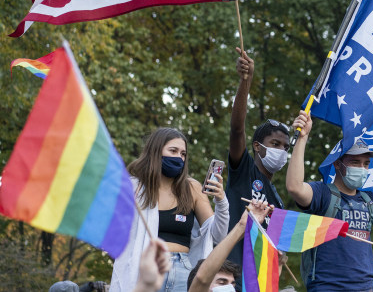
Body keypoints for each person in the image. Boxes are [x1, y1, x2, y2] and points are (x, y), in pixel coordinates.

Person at [286, 111, 373, 291]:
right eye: (355, 162)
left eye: (366, 164)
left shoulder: (370, 200)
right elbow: (295, 187)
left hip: (366, 287)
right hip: (328, 287)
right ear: (337, 163)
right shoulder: (323, 193)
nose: (362, 168)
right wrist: (302, 138)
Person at [111, 128, 230, 292]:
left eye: (183, 154)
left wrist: (221, 201)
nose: (179, 158)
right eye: (173, 151)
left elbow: (218, 235)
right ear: (155, 151)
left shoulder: (192, 188)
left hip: (183, 271)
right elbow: (114, 233)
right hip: (147, 269)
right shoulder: (134, 187)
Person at [225, 48, 290, 264]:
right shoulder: (244, 170)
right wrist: (246, 81)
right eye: (275, 144)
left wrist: (281, 257)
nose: (280, 151)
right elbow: (236, 129)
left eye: (285, 147)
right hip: (231, 273)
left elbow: (277, 244)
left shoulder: (278, 201)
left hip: (260, 281)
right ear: (257, 147)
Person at [187, 199, 271, 292]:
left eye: (232, 284)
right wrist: (242, 225)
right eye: (222, 283)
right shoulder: (200, 283)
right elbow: (202, 277)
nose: (230, 288)